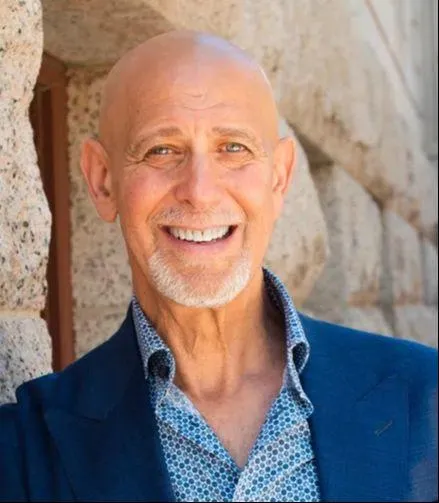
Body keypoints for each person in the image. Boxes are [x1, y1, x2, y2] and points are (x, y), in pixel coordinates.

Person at [0, 30, 437, 503]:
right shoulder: (24, 451)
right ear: (103, 181)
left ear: (279, 178)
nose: (200, 191)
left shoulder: (422, 398)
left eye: (233, 148)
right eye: (161, 150)